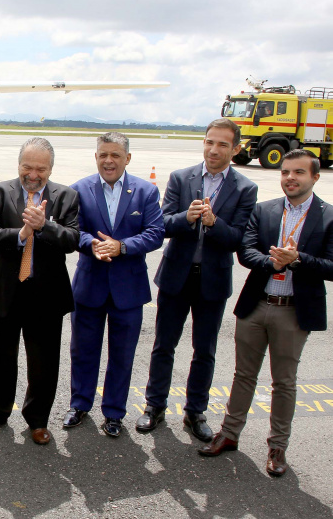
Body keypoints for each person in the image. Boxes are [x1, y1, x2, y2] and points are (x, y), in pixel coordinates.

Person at [199, 149, 333, 477]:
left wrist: (297, 259)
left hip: (293, 312)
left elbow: (331, 266)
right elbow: (246, 251)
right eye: (286, 171)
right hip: (257, 305)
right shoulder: (265, 210)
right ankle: (229, 435)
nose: (290, 178)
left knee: (283, 382)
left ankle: (277, 447)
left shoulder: (328, 216)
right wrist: (271, 262)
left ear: (315, 177)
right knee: (243, 375)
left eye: (299, 172)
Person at [137, 119, 257, 441]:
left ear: (236, 149)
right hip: (177, 276)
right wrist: (185, 218)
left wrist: (214, 223)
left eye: (222, 144)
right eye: (209, 142)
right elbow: (161, 223)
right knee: (164, 345)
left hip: (212, 281)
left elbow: (237, 239)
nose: (213, 149)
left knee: (204, 350)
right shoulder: (181, 178)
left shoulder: (246, 189)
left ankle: (195, 412)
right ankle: (154, 406)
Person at [0, 137, 79, 445]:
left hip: (46, 295)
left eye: (40, 168)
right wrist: (22, 233)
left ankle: (37, 421)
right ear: (18, 164)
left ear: (50, 168)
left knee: (44, 362)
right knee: (1, 357)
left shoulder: (67, 196)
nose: (33, 174)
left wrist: (44, 225)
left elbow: (72, 240)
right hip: (7, 291)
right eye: (27, 166)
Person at [64, 132, 164, 438]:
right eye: (103, 154)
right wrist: (92, 244)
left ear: (127, 158)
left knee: (122, 354)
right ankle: (79, 404)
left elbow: (155, 233)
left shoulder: (146, 191)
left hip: (128, 290)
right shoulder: (78, 190)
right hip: (90, 285)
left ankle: (114, 413)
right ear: (95, 157)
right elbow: (71, 231)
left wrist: (121, 246)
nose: (109, 161)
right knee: (83, 351)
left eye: (116, 155)